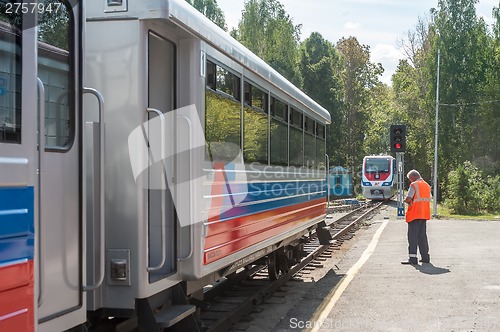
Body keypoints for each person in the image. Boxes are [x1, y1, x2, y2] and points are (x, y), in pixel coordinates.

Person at [401, 169, 432, 265]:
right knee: (422, 236)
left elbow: (409, 197)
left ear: (413, 177)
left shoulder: (414, 185)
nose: (410, 181)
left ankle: (413, 259)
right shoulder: (427, 185)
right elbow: (429, 198)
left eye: (410, 179)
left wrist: (405, 200)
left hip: (415, 214)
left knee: (412, 237)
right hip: (424, 214)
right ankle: (425, 257)